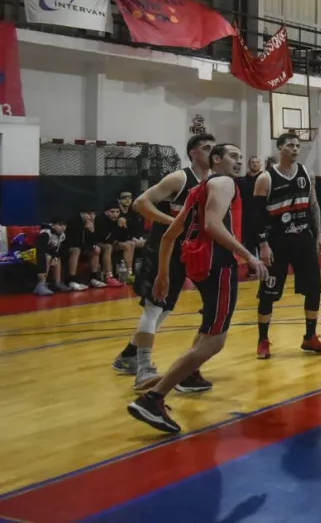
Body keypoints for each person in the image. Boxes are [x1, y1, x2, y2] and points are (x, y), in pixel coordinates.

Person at [127, 143, 267, 434]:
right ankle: (153, 398)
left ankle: (186, 377)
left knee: (207, 330)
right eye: (233, 156)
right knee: (215, 341)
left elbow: (168, 236)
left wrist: (163, 274)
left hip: (198, 264)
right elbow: (214, 225)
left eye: (241, 157)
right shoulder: (224, 183)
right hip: (219, 265)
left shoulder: (197, 190)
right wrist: (248, 255)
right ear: (217, 160)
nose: (239, 162)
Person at [112, 133, 214, 390]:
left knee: (166, 308)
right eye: (206, 148)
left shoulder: (212, 182)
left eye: (214, 148)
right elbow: (140, 203)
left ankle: (127, 356)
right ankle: (144, 368)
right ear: (193, 153)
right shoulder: (180, 178)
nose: (211, 152)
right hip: (162, 248)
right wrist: (174, 224)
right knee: (154, 306)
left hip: (185, 252)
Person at [252, 132, 321, 359]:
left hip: (303, 239)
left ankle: (310, 337)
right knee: (269, 292)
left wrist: (319, 235)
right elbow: (256, 216)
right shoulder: (265, 178)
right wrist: (263, 245)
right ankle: (263, 340)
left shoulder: (307, 173)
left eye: (297, 146)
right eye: (290, 145)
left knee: (314, 288)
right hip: (277, 243)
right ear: (280, 148)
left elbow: (314, 206)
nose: (295, 149)